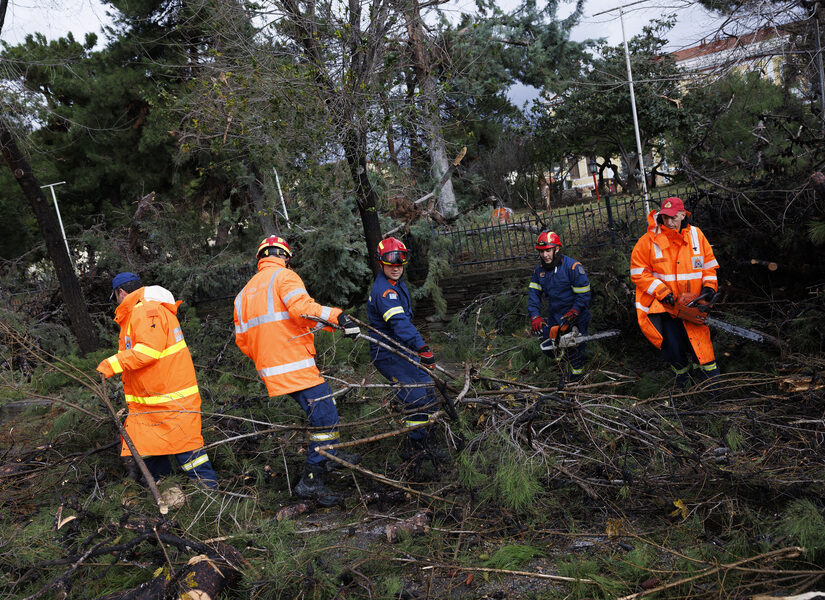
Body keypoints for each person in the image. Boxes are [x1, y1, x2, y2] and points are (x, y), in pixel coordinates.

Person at [234, 235, 361, 505]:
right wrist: (338, 318)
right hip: (294, 363)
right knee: (325, 416)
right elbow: (302, 310)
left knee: (323, 410)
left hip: (272, 368)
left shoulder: (242, 295)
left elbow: (242, 340)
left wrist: (268, 357)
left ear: (260, 258)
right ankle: (312, 481)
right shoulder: (285, 277)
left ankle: (330, 456)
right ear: (286, 257)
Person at [96, 272, 218, 489]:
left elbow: (147, 352)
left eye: (115, 297)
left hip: (170, 400)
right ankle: (169, 491)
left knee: (188, 451)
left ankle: (209, 494)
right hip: (153, 401)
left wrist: (111, 364)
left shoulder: (145, 311)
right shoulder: (143, 310)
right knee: (148, 448)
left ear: (121, 292)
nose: (116, 303)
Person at [366, 237, 446, 465]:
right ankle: (416, 448)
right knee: (416, 396)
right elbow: (400, 324)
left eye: (400, 264)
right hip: (389, 354)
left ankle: (429, 439)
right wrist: (422, 347)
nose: (396, 267)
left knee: (427, 390)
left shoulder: (396, 284)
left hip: (402, 349)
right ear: (381, 263)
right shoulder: (385, 292)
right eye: (391, 264)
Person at [630, 197, 720, 388]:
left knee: (702, 350)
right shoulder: (648, 241)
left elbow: (709, 267)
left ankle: (713, 390)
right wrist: (662, 291)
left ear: (682, 214)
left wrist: (709, 287)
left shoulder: (696, 235)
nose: (669, 222)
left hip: (694, 306)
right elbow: (638, 273)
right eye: (665, 218)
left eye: (673, 217)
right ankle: (684, 389)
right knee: (675, 350)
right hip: (667, 309)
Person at [527, 231, 592, 382]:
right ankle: (563, 366)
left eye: (547, 251)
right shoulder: (539, 272)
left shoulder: (573, 267)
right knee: (550, 345)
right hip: (555, 315)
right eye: (541, 251)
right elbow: (534, 295)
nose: (544, 255)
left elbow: (583, 294)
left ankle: (577, 377)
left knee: (574, 348)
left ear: (556, 249)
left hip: (576, 314)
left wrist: (575, 311)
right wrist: (535, 315)